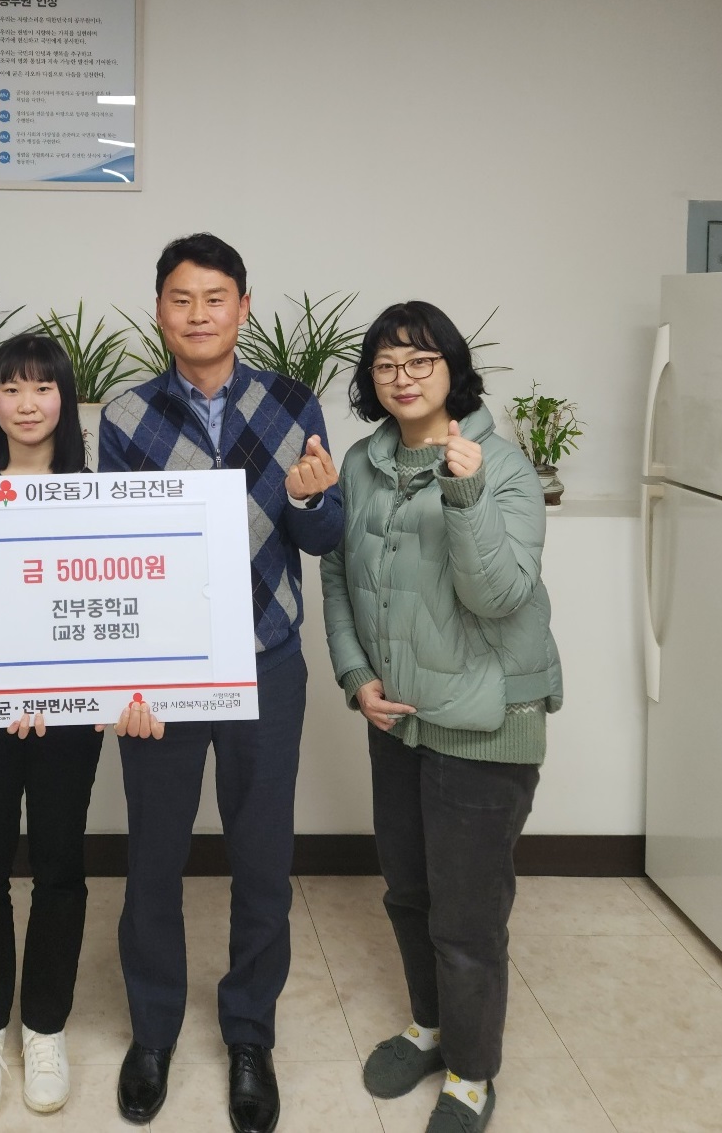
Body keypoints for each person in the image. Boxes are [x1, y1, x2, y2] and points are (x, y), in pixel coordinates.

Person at [97, 233, 344, 1133]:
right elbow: (114, 552)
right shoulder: (126, 414)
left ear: (243, 306)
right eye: (180, 299)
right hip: (164, 676)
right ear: (158, 310)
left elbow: (322, 537)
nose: (197, 314)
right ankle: (153, 1031)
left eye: (214, 298)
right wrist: (126, 681)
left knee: (261, 857)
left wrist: (312, 498)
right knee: (154, 858)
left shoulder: (291, 402)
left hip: (267, 659)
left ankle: (248, 1034)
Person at [319, 301, 562, 1133]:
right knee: (408, 893)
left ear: (452, 369)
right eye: (385, 363)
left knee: (466, 919)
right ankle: (429, 1027)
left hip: (485, 724)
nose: (402, 377)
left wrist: (465, 494)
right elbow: (338, 576)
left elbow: (498, 595)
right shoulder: (362, 463)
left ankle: (470, 1072)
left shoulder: (502, 467)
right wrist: (355, 676)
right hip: (398, 719)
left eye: (420, 360)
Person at [0, 333, 104, 1118]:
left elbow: (101, 606)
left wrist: (67, 690)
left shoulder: (93, 492)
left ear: (65, 400)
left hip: (68, 716)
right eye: (10, 388)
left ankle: (43, 1026)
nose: (27, 403)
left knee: (59, 865)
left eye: (43, 387)